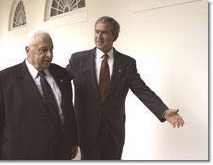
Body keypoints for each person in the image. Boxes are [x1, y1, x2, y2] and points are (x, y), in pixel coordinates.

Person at [66, 16, 184, 160]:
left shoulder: (127, 63)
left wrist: (163, 111)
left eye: (104, 32)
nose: (99, 36)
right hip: (86, 130)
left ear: (115, 36)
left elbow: (142, 90)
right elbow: (60, 82)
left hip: (113, 132)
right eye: (96, 32)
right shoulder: (78, 60)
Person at [0, 30, 78, 160]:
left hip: (60, 154)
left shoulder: (61, 74)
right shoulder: (4, 80)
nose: (49, 55)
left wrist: (73, 141)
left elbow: (68, 110)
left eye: (51, 49)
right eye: (43, 50)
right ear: (27, 50)